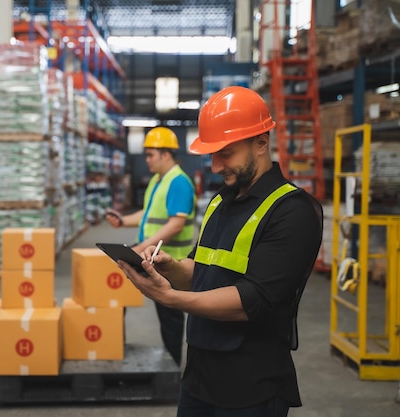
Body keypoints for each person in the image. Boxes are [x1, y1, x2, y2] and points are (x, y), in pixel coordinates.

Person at [116, 86, 323, 416]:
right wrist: (170, 269)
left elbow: (253, 301)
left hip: (251, 387)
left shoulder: (292, 212)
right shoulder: (220, 203)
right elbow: (201, 273)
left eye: (225, 153)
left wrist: (170, 298)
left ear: (260, 142)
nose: (214, 166)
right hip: (199, 376)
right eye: (211, 155)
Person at [104, 126, 195, 366]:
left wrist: (141, 246)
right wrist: (123, 221)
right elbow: (148, 214)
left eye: (150, 154)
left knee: (170, 317)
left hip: (171, 262)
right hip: (151, 255)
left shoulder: (179, 183)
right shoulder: (158, 180)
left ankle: (174, 366)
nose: (147, 159)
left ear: (166, 154)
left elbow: (176, 224)